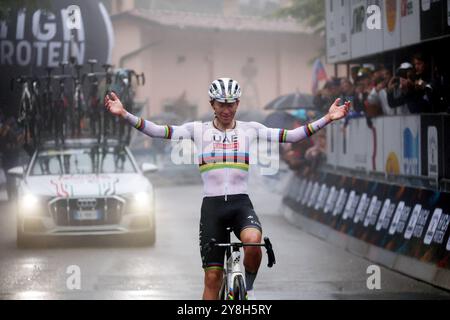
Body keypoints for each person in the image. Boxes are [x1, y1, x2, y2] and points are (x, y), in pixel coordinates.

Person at [104, 78, 350, 300]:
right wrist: (124, 113)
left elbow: (294, 136)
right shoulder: (197, 130)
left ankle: (249, 289)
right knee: (212, 278)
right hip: (212, 208)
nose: (226, 109)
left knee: (253, 243)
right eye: (221, 104)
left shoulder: (250, 129)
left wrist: (328, 118)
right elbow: (157, 131)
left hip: (240, 204)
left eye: (231, 104)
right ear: (212, 104)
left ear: (237, 104)